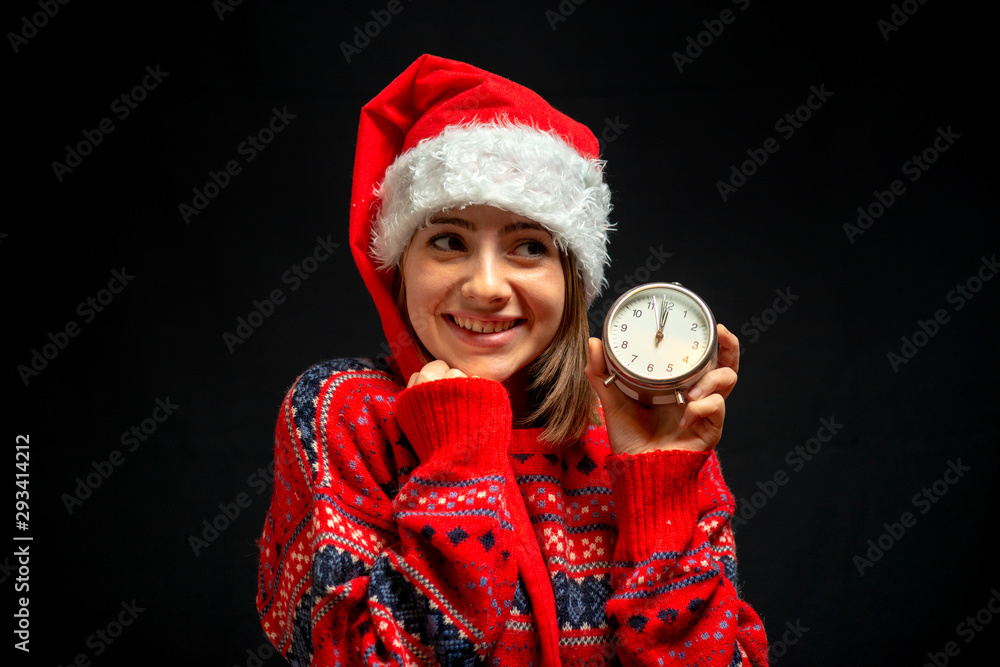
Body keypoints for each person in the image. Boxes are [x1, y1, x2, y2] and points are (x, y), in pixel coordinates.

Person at [257, 54, 768, 666]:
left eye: (528, 246)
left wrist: (657, 486)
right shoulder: (345, 413)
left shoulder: (652, 426)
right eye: (449, 242)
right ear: (399, 265)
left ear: (570, 277)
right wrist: (458, 459)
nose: (487, 286)